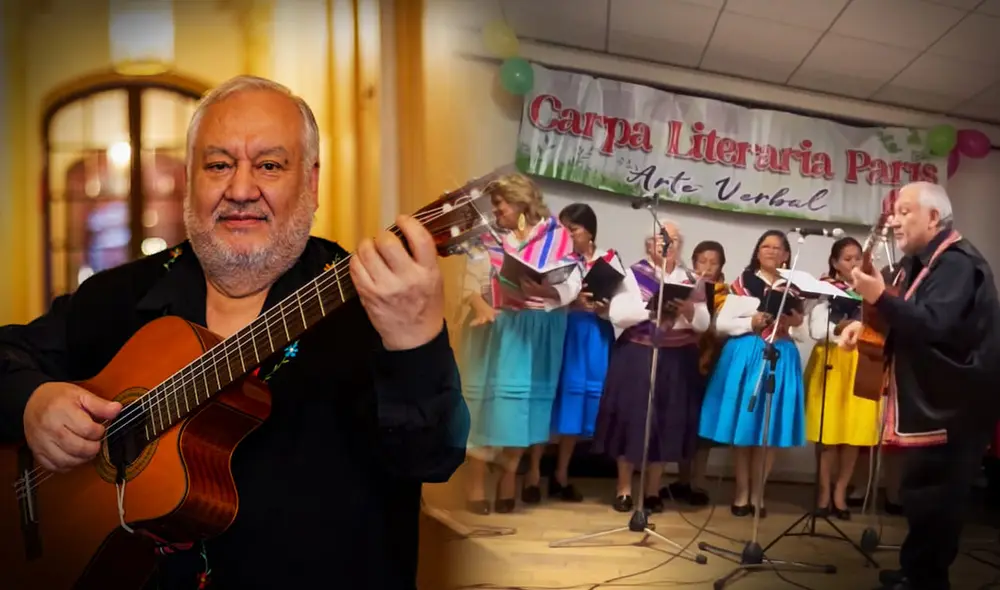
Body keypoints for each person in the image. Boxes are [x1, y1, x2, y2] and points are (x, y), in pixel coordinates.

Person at [0, 75, 469, 590]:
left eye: (269, 165)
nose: (241, 190)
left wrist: (416, 340)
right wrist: (31, 402)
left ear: (311, 184)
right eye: (219, 165)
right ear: (189, 181)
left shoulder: (370, 304)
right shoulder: (115, 297)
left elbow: (434, 457)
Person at [840, 181, 1000, 590]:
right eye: (894, 211)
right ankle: (916, 570)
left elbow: (933, 324)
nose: (894, 220)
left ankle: (927, 580)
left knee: (937, 500)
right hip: (933, 401)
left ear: (933, 218)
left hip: (955, 406)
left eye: (905, 211)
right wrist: (866, 321)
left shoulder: (958, 264)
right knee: (920, 493)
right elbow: (908, 314)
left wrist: (878, 295)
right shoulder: (920, 261)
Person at [459, 173, 579, 514]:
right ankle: (477, 480)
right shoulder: (485, 236)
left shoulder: (557, 236)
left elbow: (570, 281)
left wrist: (549, 292)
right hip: (495, 327)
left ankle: (510, 472)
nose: (496, 211)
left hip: (537, 331)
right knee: (484, 408)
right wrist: (478, 304)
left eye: (501, 204)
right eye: (494, 205)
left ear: (522, 203)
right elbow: (469, 280)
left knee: (521, 410)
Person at [593, 226, 710, 513]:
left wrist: (687, 311)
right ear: (649, 244)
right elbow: (619, 315)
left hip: (677, 359)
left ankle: (653, 490)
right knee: (631, 420)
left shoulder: (691, 279)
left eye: (674, 240)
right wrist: (654, 309)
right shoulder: (633, 274)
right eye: (661, 238)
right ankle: (624, 488)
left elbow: (704, 324)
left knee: (665, 422)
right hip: (637, 354)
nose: (668, 244)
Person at [698, 229, 808, 517]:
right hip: (747, 355)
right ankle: (741, 491)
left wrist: (795, 323)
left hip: (781, 356)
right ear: (757, 252)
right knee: (745, 425)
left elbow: (803, 332)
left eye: (777, 248)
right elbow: (722, 325)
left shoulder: (795, 287)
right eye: (766, 246)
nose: (771, 251)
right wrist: (752, 322)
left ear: (786, 254)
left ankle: (759, 492)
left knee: (768, 429)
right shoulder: (741, 283)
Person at [533, 202, 619, 503]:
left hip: (594, 334)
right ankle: (532, 473)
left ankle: (561, 475)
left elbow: (621, 304)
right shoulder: (556, 259)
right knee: (551, 400)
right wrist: (572, 303)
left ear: (590, 232)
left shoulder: (608, 261)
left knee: (578, 405)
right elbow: (542, 299)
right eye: (564, 228)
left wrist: (604, 307)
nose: (568, 234)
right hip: (563, 332)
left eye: (574, 229)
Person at [802, 237, 880, 520]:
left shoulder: (872, 290)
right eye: (847, 259)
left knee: (852, 434)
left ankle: (840, 492)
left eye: (858, 258)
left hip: (863, 362)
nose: (854, 263)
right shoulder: (825, 290)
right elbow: (815, 328)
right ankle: (823, 493)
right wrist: (841, 327)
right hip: (832, 362)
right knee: (829, 434)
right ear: (835, 263)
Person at [662, 239, 727, 506]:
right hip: (684, 357)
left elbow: (725, 327)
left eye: (714, 263)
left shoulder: (728, 293)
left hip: (713, 362)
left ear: (722, 267)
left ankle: (699, 482)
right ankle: (682, 479)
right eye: (702, 261)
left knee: (704, 424)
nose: (707, 267)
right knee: (683, 419)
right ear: (694, 262)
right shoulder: (685, 288)